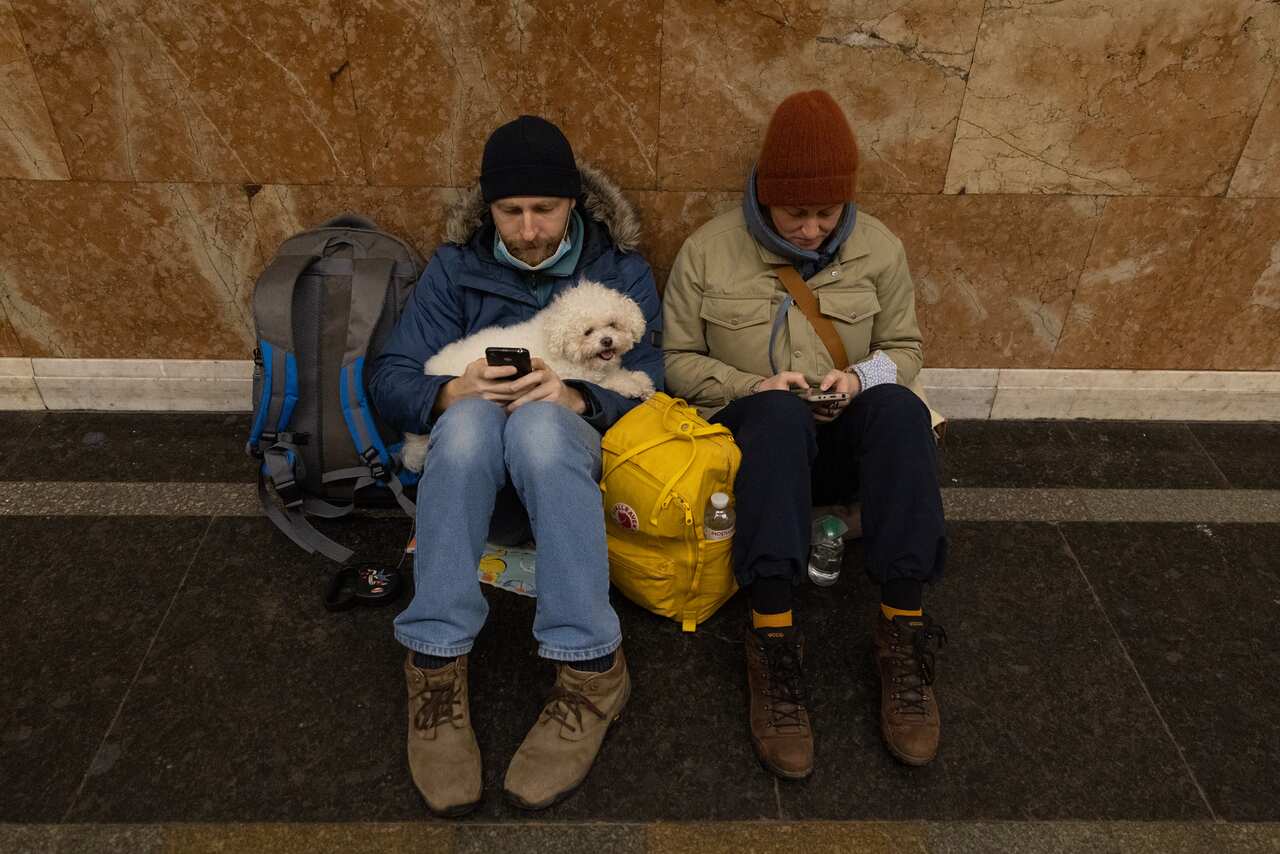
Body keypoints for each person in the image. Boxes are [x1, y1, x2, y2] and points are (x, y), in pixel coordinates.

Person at [370, 115, 663, 814]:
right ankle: (436, 663)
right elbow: (389, 377)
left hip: (564, 462)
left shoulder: (621, 271)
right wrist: (448, 389)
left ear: (574, 205)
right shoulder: (455, 267)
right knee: (468, 424)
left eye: (545, 209)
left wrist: (578, 396)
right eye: (511, 211)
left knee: (538, 425)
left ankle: (592, 667)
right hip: (473, 478)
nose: (528, 230)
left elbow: (657, 383)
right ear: (488, 209)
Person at [662, 91, 948, 777]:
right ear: (765, 197)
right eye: (797, 213)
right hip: (752, 450)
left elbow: (905, 349)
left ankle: (901, 629)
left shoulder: (879, 248)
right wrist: (752, 387)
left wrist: (859, 379)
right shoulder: (708, 253)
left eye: (828, 213)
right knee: (779, 415)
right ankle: (771, 637)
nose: (815, 229)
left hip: (841, 438)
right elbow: (673, 363)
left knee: (903, 411)